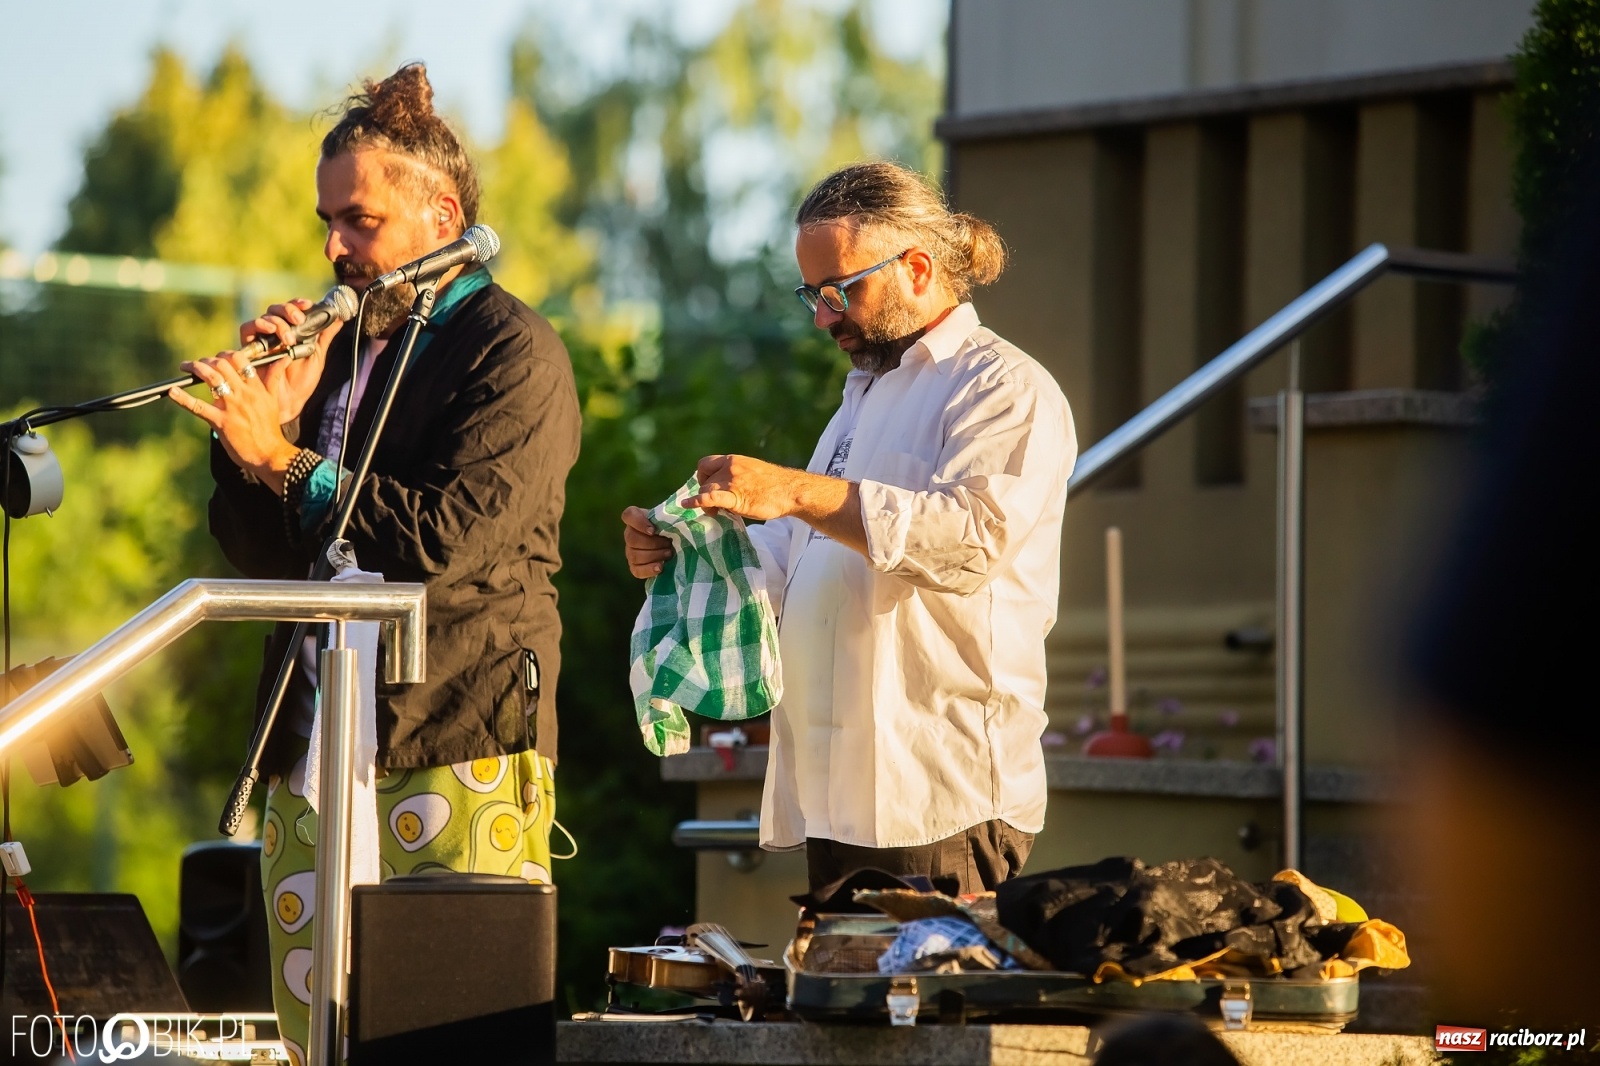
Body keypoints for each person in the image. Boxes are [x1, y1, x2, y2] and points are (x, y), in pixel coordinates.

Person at [168, 64, 579, 1062]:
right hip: (314, 745)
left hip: (456, 739)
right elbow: (266, 557)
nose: (332, 249)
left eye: (359, 222)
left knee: (446, 1035)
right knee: (314, 1035)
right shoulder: (344, 355)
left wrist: (286, 459)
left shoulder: (512, 352)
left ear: (443, 216)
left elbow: (445, 542)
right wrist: (259, 437)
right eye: (328, 223)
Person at [622, 161, 1076, 894]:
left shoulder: (1004, 387)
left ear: (917, 268)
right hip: (834, 792)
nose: (823, 317)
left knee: (922, 977)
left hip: (937, 792)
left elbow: (970, 540)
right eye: (812, 294)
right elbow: (806, 554)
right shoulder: (863, 394)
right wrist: (688, 548)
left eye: (839, 290)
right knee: (839, 975)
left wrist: (794, 491)